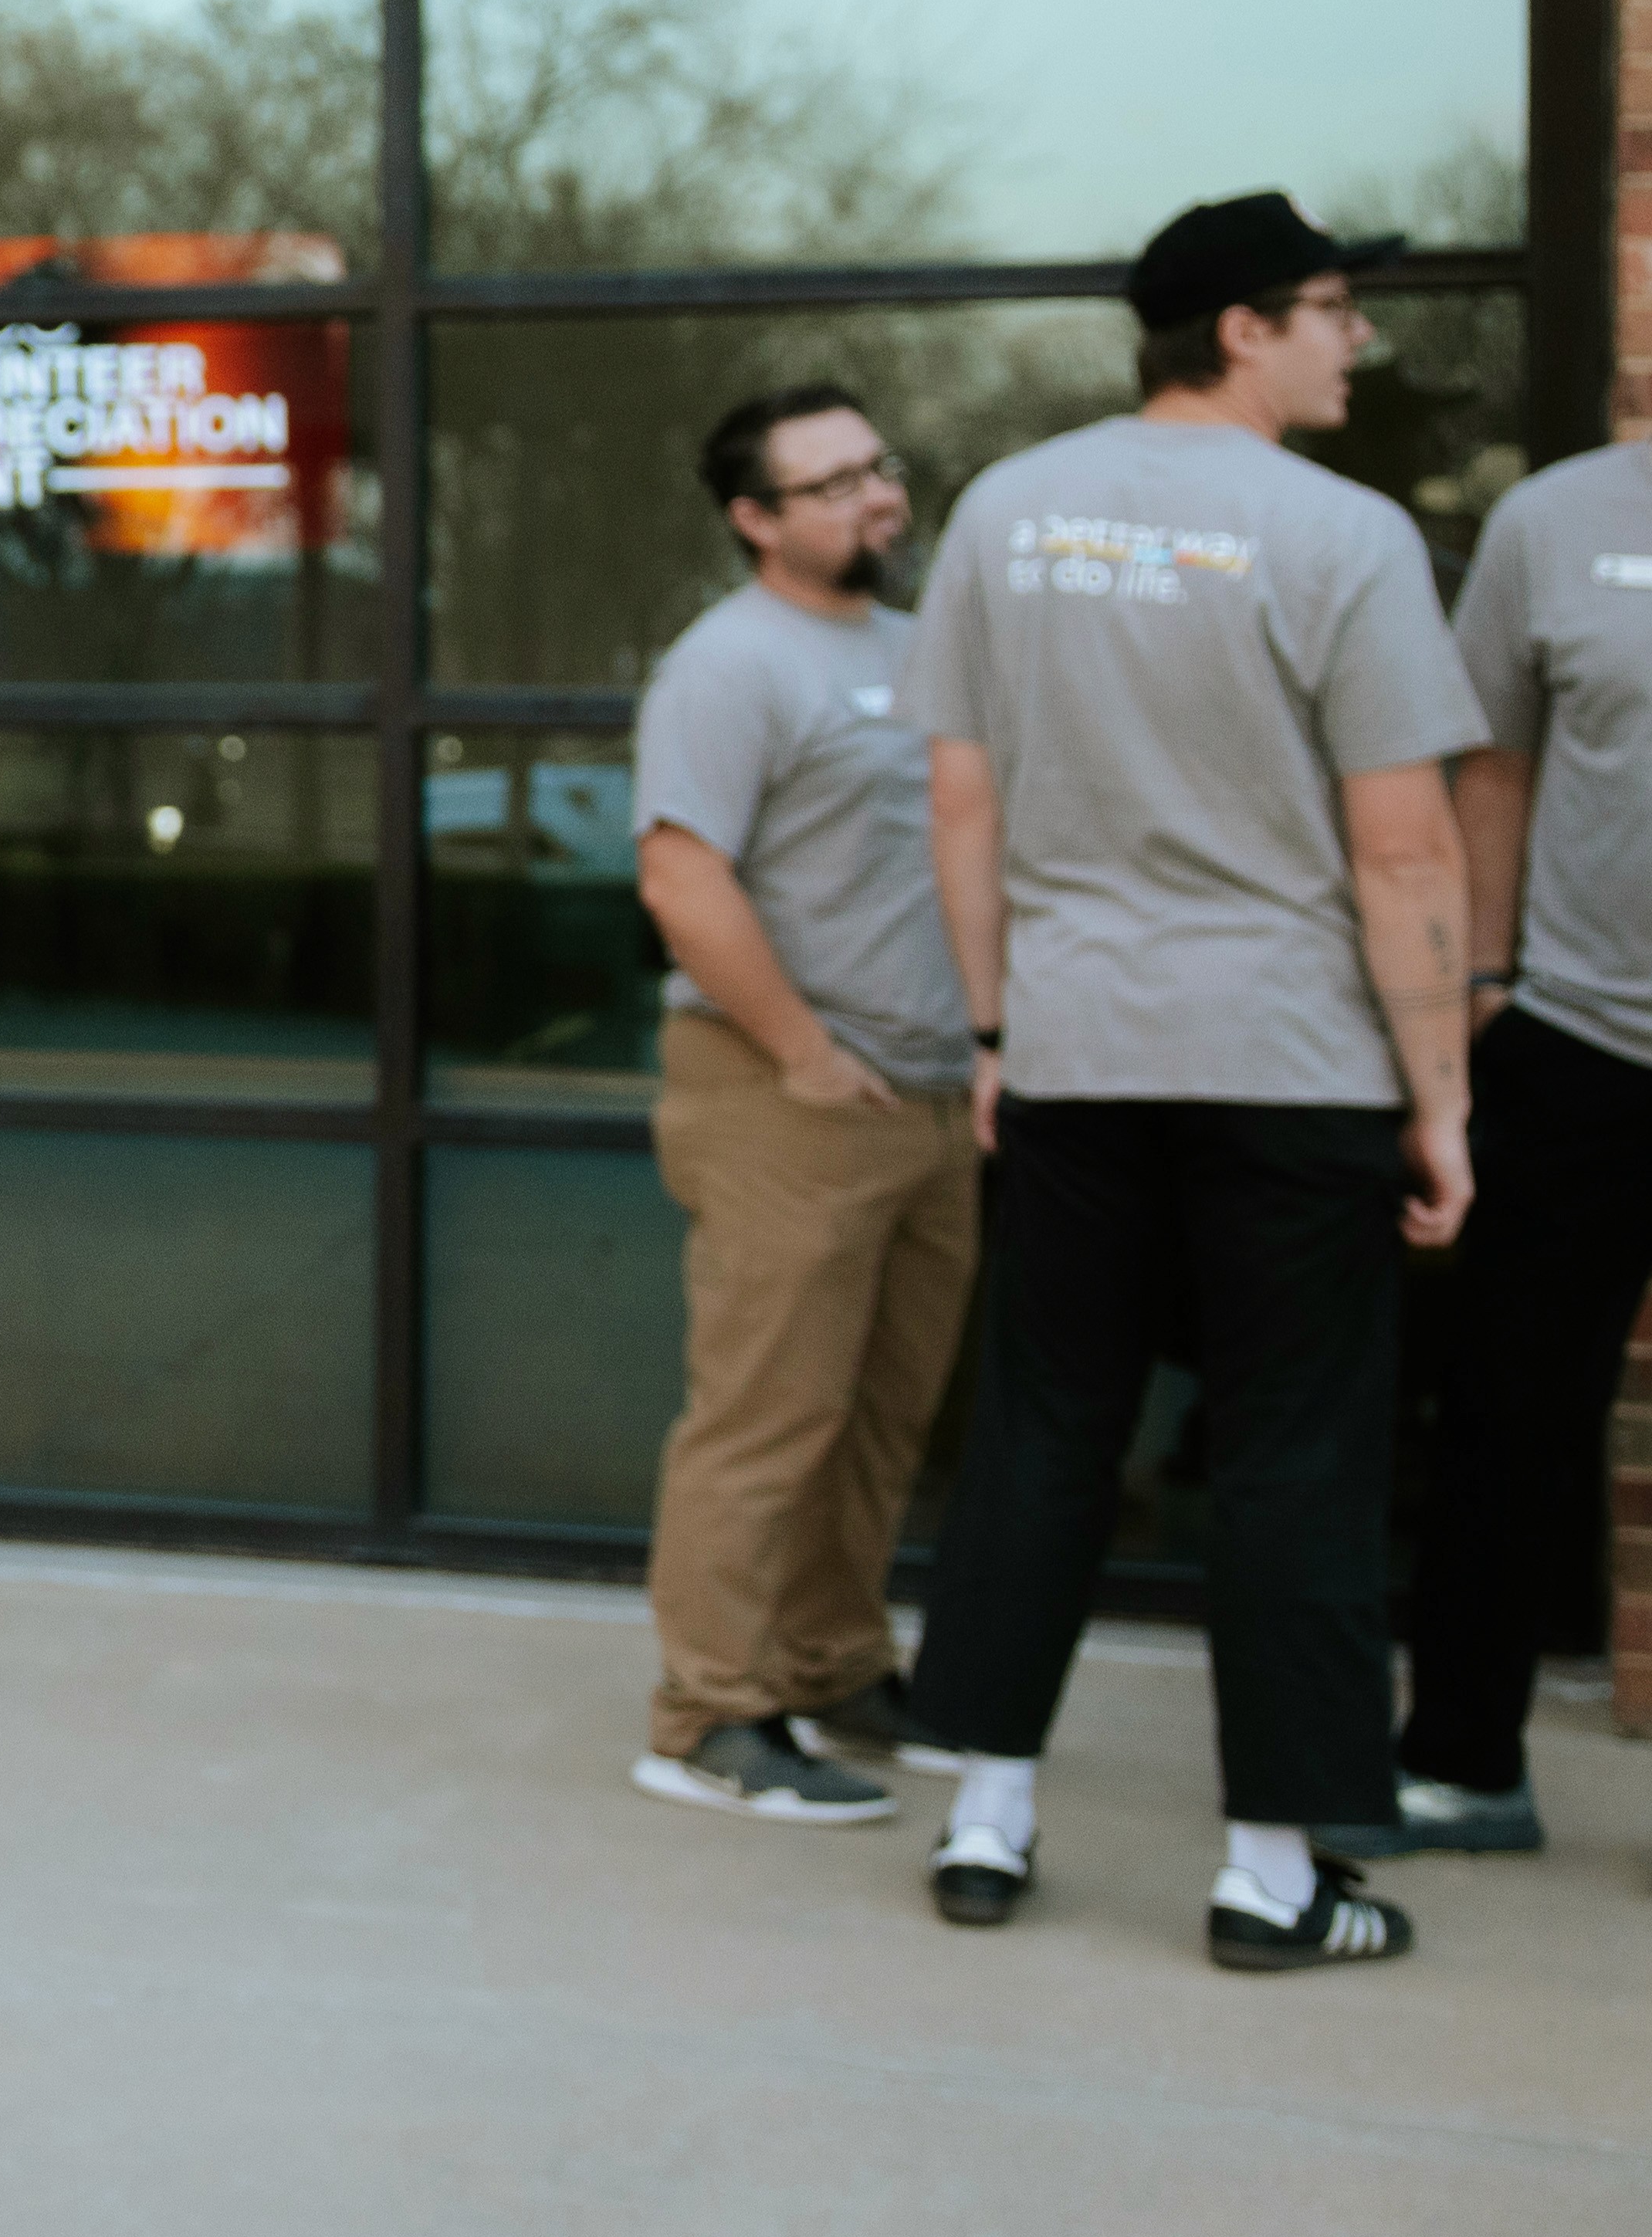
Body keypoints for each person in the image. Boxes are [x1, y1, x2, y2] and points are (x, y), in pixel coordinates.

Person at [899, 195, 1483, 1971]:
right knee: (1296, 1456)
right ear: (1236, 329)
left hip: (1081, 1053)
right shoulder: (1345, 533)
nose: (1353, 341)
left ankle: (984, 1815)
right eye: (1328, 309)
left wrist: (998, 1035)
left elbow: (960, 801)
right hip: (1288, 1066)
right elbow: (1404, 850)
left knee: (1044, 1427)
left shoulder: (1006, 507)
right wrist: (1441, 1097)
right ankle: (1268, 1870)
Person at [619, 384, 980, 1824]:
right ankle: (707, 1711)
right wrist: (805, 1051)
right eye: (828, 486)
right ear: (754, 521)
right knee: (766, 1418)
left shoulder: (913, 648)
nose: (870, 501)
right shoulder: (731, 664)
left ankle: (831, 1666)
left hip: (931, 1093)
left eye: (874, 472)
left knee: (878, 1418)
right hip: (784, 1093)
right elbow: (678, 876)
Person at [1376, 428, 1652, 1855]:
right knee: (1507, 1416)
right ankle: (1465, 1759)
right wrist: (1479, 985)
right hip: (1583, 1043)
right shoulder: (1552, 523)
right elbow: (1491, 763)